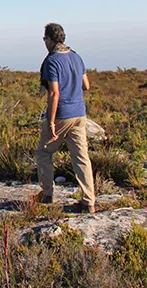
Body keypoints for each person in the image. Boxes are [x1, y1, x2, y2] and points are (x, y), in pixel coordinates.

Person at [36, 23, 95, 213]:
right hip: (79, 113)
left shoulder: (52, 61)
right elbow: (86, 85)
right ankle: (89, 201)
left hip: (62, 114)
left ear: (50, 40)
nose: (44, 42)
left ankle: (46, 195)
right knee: (81, 157)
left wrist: (51, 122)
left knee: (44, 153)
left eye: (45, 39)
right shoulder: (76, 57)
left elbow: (54, 93)